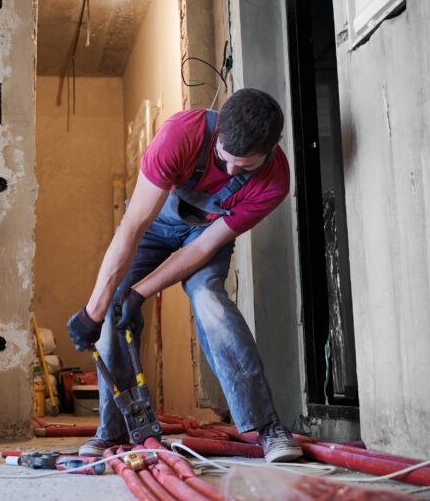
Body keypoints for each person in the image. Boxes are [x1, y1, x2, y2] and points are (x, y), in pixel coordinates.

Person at [66, 88, 303, 463]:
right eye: (225, 159)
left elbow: (201, 249)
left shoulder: (274, 182)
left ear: (272, 148)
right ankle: (114, 431)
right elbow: (132, 228)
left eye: (244, 167)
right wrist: (93, 312)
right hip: (153, 226)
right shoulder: (180, 136)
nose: (230, 171)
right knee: (112, 308)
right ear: (219, 130)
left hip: (204, 236)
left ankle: (266, 426)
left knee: (209, 299)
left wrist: (141, 293)